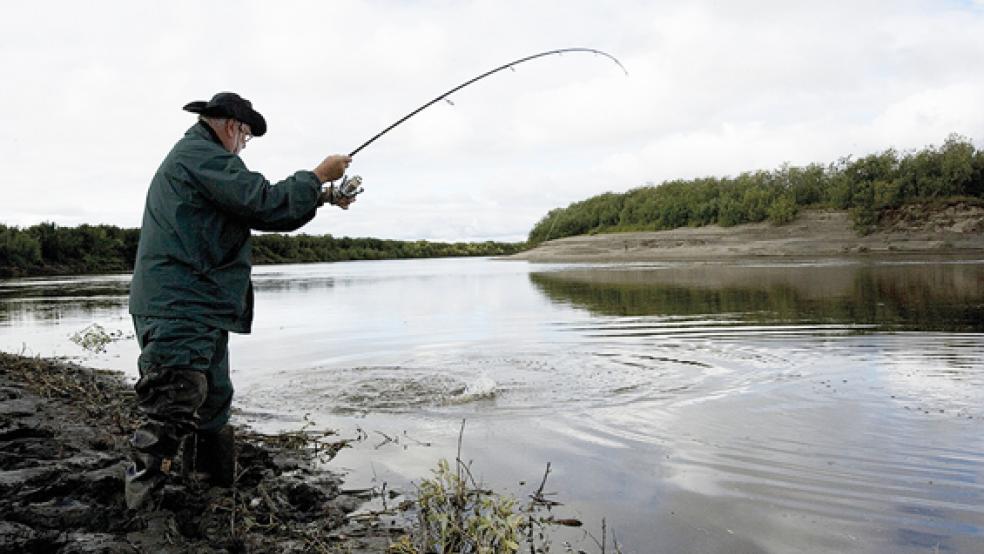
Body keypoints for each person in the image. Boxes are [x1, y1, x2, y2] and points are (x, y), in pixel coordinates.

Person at [125, 92, 357, 509]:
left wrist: (321, 197)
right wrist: (317, 176)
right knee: (173, 402)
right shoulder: (201, 155)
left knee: (213, 399)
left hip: (200, 305)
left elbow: (253, 208)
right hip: (179, 305)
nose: (243, 145)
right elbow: (263, 202)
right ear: (233, 126)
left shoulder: (202, 160)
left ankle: (212, 492)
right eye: (246, 136)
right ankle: (144, 512)